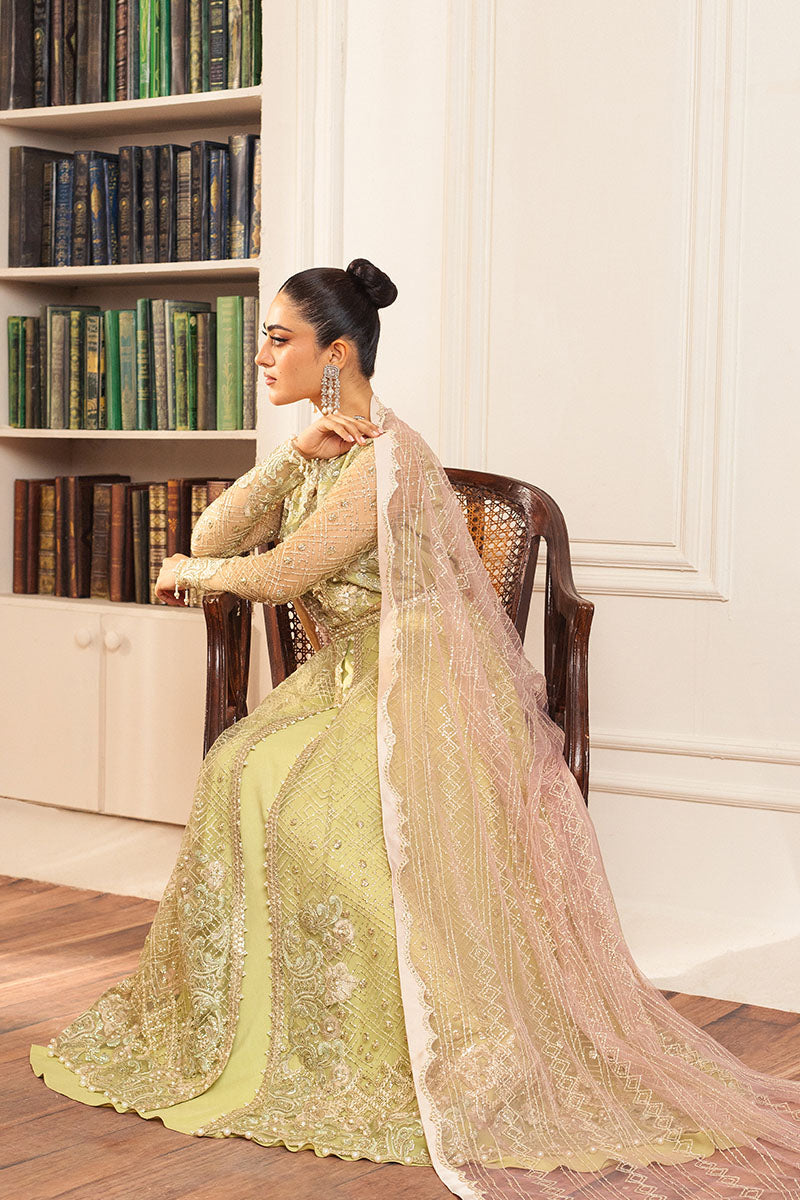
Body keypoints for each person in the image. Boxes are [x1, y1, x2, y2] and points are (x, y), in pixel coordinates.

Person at [30, 260, 800, 1199]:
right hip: (351, 672)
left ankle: (376, 1041)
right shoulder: (329, 449)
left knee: (277, 783)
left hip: (418, 680)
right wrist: (292, 456)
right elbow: (222, 530)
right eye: (265, 337)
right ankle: (258, 1026)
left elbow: (275, 574)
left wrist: (186, 574)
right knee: (243, 764)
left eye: (279, 337)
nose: (261, 354)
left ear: (335, 355)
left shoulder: (387, 460)